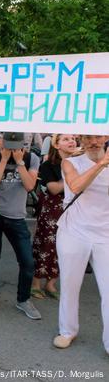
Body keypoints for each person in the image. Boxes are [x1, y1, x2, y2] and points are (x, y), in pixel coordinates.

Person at [53, 134, 109, 352]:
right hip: (73, 231)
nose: (93, 142)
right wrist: (102, 164)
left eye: (97, 137)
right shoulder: (71, 162)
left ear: (105, 137)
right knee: (69, 284)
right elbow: (75, 186)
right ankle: (67, 331)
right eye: (87, 138)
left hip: (105, 234)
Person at [0, 132, 42, 320]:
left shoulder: (31, 158)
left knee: (27, 261)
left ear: (23, 146)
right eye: (8, 146)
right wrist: (4, 160)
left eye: (15, 147)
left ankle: (23, 299)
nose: (12, 150)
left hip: (17, 217)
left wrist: (20, 162)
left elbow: (30, 186)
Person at [31, 134, 77, 300]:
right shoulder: (49, 165)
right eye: (66, 139)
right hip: (52, 211)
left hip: (73, 210)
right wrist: (74, 175)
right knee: (45, 245)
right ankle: (36, 283)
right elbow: (54, 189)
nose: (72, 141)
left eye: (73, 138)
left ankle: (51, 284)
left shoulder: (79, 163)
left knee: (65, 248)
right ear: (56, 145)